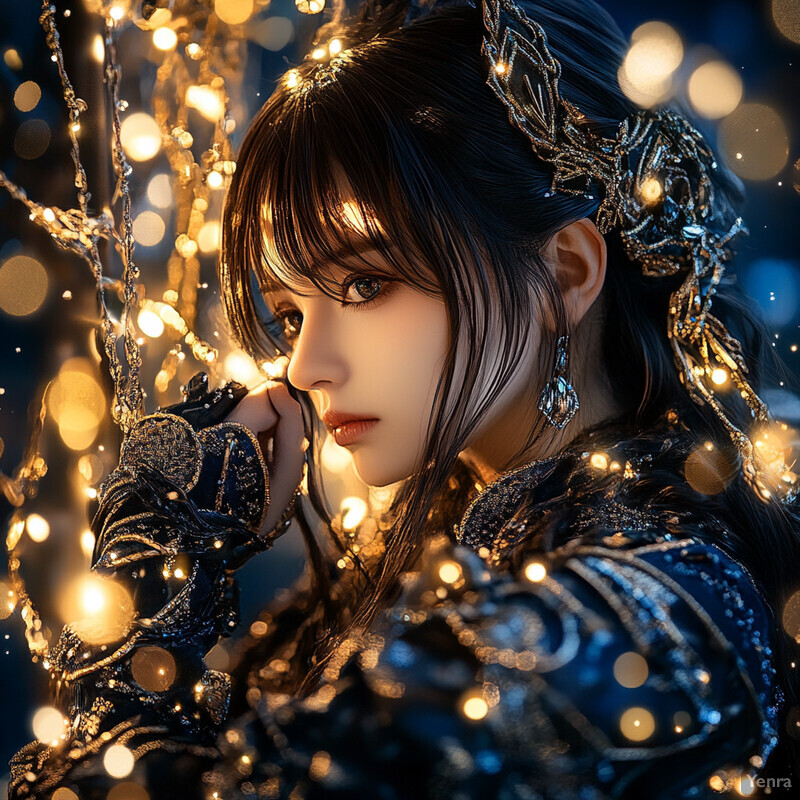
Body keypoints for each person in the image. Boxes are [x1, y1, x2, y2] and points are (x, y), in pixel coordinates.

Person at [9, 0, 800, 797]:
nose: (305, 366)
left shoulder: (652, 612)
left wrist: (153, 594)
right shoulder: (412, 567)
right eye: (290, 314)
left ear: (566, 271)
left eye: (364, 282)